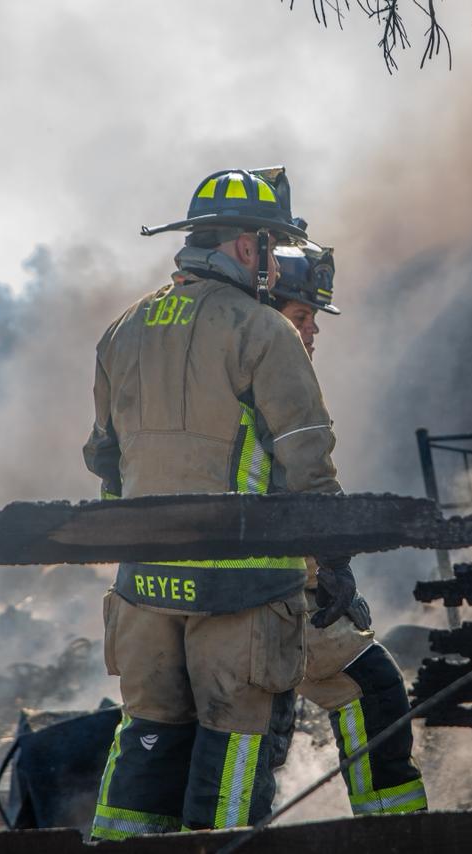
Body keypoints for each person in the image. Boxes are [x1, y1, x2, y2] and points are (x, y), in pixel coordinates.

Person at [83, 168, 358, 838]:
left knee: (147, 746)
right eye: (275, 249)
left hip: (144, 592)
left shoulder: (122, 329)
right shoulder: (263, 330)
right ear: (246, 247)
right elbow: (307, 460)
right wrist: (335, 561)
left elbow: (105, 461)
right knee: (232, 755)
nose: (279, 265)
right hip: (243, 595)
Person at [268, 245, 429, 816]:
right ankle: (392, 832)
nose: (312, 330)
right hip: (269, 595)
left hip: (273, 588)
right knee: (371, 686)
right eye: (300, 316)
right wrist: (331, 570)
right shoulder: (270, 382)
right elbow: (299, 489)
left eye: (313, 319)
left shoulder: (230, 375)